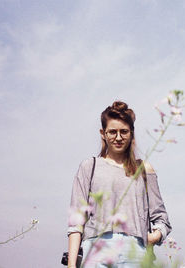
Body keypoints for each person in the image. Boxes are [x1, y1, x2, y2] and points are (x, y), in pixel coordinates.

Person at [67, 101, 172, 268]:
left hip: (135, 252)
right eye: (112, 132)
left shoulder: (143, 169)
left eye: (124, 132)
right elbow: (76, 222)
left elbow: (161, 218)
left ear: (131, 133)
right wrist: (72, 264)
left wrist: (154, 236)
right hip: (96, 251)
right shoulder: (89, 166)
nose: (118, 137)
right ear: (103, 133)